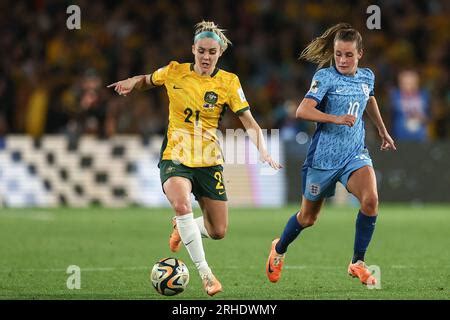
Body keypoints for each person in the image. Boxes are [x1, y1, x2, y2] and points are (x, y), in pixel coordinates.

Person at [108, 21, 281, 296]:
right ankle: (206, 274)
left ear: (220, 53)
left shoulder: (228, 82)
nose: (206, 57)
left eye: (212, 52)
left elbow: (248, 121)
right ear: (193, 49)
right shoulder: (174, 71)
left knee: (218, 230)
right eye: (201, 50)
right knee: (181, 203)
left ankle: (182, 227)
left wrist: (264, 150)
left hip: (209, 161)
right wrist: (132, 82)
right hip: (175, 156)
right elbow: (148, 79)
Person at [265, 23, 396, 286]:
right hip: (323, 160)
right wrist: (334, 118)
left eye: (349, 54)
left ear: (360, 53)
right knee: (308, 218)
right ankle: (278, 249)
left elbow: (369, 99)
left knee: (371, 201)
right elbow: (302, 110)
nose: (343, 60)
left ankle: (357, 262)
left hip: (354, 154)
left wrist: (382, 130)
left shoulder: (367, 76)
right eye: (338, 54)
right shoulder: (325, 77)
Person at [390, 70, 430, 142]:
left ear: (416, 83)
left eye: (411, 83)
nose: (408, 86)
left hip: (420, 138)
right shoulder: (395, 95)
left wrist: (422, 118)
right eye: (404, 83)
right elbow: (388, 117)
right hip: (400, 137)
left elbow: (429, 115)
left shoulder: (424, 95)